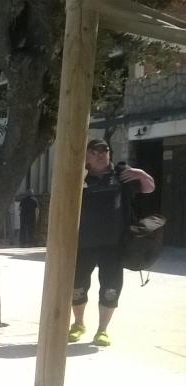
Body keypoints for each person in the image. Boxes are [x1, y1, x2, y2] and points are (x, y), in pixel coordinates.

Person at [68, 139, 154, 347]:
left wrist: (141, 174)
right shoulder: (79, 175)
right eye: (94, 151)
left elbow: (149, 189)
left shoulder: (121, 175)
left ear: (109, 153)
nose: (100, 155)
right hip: (83, 244)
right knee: (77, 286)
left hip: (114, 245)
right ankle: (78, 324)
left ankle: (102, 330)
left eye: (104, 151)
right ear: (87, 155)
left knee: (111, 288)